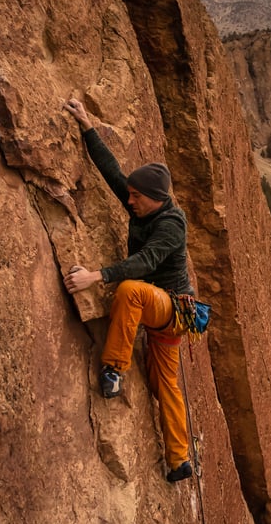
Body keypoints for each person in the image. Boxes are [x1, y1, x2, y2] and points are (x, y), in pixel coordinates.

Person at [62, 98, 193, 483]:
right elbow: (112, 172)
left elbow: (145, 262)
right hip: (160, 313)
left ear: (156, 198)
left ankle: (114, 369)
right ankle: (179, 460)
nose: (129, 200)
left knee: (130, 289)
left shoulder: (171, 224)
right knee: (163, 384)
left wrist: (95, 276)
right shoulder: (143, 204)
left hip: (170, 310)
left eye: (136, 197)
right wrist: (86, 125)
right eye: (131, 196)